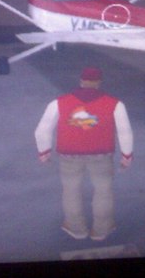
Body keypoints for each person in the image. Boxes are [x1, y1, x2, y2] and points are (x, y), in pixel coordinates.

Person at [34, 66, 134, 241]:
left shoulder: (59, 102)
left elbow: (42, 130)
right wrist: (127, 155)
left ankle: (76, 229)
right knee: (104, 191)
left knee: (71, 190)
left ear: (81, 81)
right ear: (99, 82)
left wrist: (44, 151)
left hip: (69, 155)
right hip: (101, 155)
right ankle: (101, 229)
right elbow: (125, 131)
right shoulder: (115, 103)